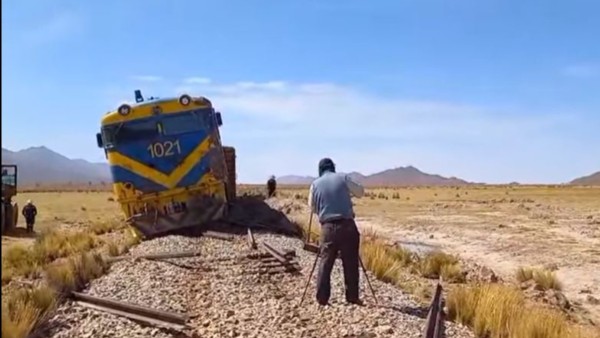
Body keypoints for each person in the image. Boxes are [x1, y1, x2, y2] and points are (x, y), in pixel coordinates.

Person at [308, 158, 365, 306]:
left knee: (325, 262)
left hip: (328, 228)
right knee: (351, 262)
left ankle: (322, 298)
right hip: (347, 225)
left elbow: (312, 207)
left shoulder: (315, 184)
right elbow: (360, 192)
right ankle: (352, 297)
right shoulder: (343, 177)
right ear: (333, 168)